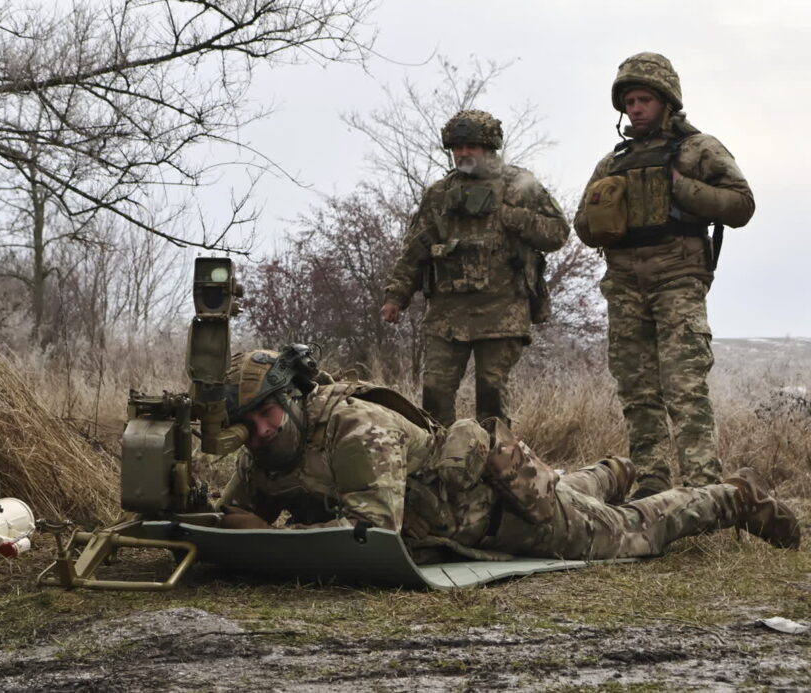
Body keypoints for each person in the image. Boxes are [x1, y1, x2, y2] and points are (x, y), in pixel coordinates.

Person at [217, 347, 800, 561]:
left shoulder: (355, 432)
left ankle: (734, 497)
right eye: (247, 423)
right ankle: (610, 472)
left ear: (292, 400)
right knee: (578, 494)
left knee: (632, 534)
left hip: (503, 511)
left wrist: (267, 538)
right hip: (465, 511)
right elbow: (232, 516)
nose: (260, 431)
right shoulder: (262, 449)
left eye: (268, 413)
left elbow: (370, 538)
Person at [573, 53, 755, 499]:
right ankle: (653, 485)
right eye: (629, 102)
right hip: (624, 287)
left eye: (644, 100)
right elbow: (582, 226)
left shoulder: (698, 149)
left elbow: (741, 205)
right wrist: (606, 212)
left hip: (678, 280)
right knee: (637, 391)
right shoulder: (613, 163)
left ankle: (703, 490)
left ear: (666, 101)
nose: (635, 109)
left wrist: (683, 189)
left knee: (684, 387)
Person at [381, 110, 568, 427]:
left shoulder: (519, 186)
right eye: (457, 147)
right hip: (447, 314)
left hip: (503, 311)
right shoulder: (439, 194)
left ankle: (494, 456)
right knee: (434, 393)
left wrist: (515, 218)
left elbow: (558, 233)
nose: (463, 153)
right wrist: (395, 296)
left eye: (471, 146)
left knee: (491, 396)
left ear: (489, 148)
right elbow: (414, 250)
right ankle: (440, 456)